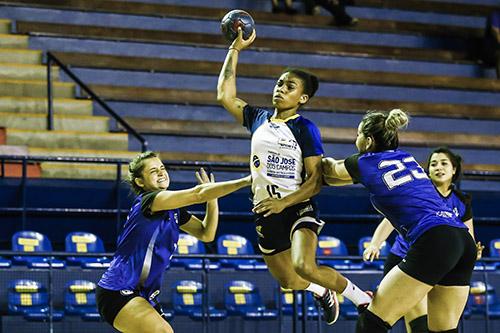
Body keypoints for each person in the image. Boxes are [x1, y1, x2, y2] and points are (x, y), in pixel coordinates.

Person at [217, 28, 372, 325]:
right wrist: (235, 49)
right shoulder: (258, 119)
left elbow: (315, 181)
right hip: (264, 208)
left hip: (297, 206)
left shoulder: (305, 128)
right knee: (289, 279)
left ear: (302, 98)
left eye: (289, 86)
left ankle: (362, 298)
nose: (280, 89)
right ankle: (321, 291)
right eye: (279, 83)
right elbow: (225, 95)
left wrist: (284, 202)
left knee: (304, 265)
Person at [322, 109, 477, 333]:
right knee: (442, 330)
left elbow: (328, 172)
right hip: (462, 242)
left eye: (357, 135)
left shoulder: (363, 161)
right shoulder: (407, 158)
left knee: (371, 323)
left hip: (433, 240)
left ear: (368, 141)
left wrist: (313, 159)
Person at [96, 151, 251, 333]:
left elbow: (206, 233)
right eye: (153, 171)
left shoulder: (174, 211)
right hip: (119, 288)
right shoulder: (150, 201)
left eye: (162, 168)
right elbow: (198, 194)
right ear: (140, 182)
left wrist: (213, 200)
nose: (161, 173)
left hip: (144, 294)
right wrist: (246, 181)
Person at [362, 146, 484, 333]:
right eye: (433, 164)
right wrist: (375, 243)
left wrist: (473, 251)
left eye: (444, 163)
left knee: (441, 326)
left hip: (444, 263)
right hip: (409, 258)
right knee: (418, 324)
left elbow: (468, 234)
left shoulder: (462, 200)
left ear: (454, 170)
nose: (438, 167)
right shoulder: (419, 189)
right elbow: (388, 221)